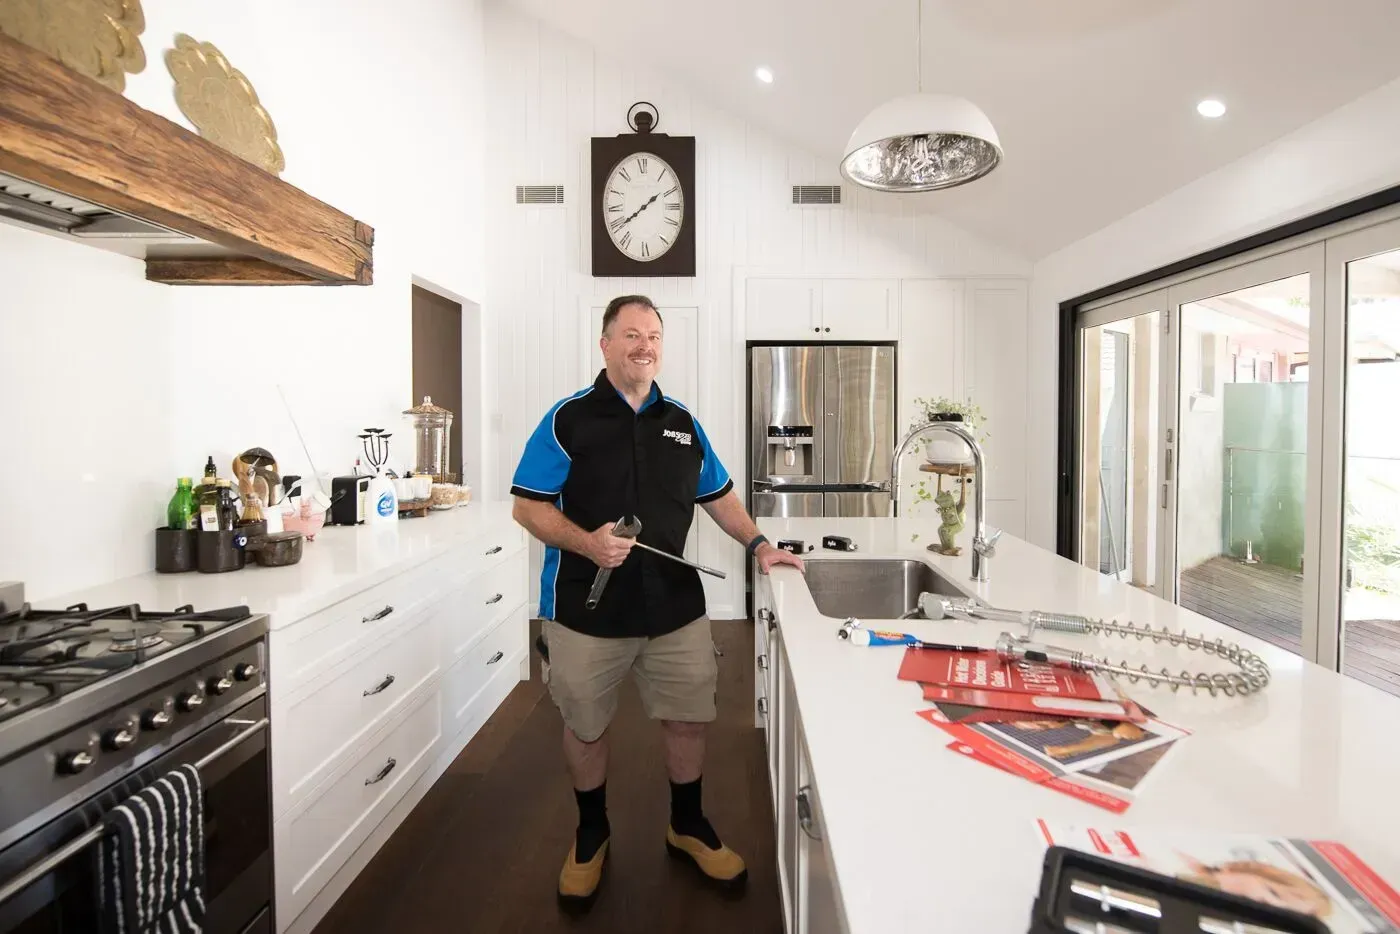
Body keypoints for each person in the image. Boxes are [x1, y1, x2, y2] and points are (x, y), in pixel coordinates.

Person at [509, 294, 805, 909]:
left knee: (689, 716)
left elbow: (719, 494)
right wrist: (586, 543)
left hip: (674, 608)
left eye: (654, 337)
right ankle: (591, 834)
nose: (644, 346)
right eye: (631, 335)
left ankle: (687, 825)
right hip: (585, 611)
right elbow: (528, 506)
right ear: (605, 344)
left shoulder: (682, 422)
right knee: (585, 727)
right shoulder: (568, 419)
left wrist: (759, 543)